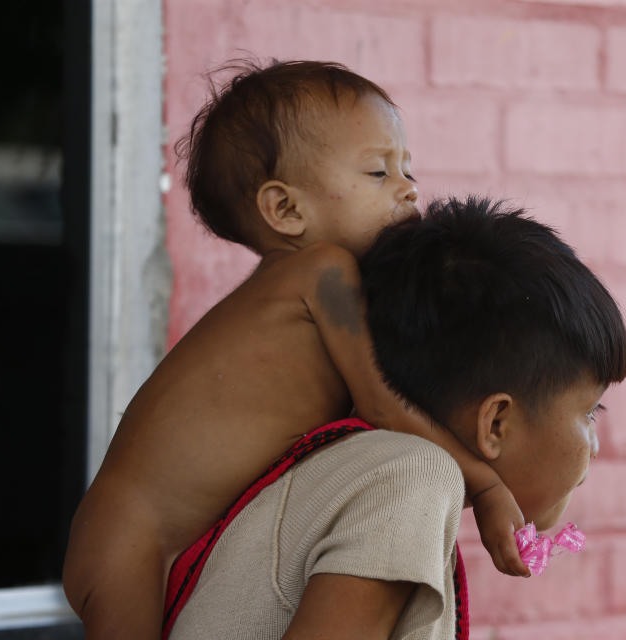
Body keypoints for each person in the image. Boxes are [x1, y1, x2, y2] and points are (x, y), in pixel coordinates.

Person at [62, 61, 526, 640]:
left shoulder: (314, 287)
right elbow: (384, 407)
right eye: (379, 171)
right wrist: (485, 485)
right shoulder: (322, 274)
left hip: (185, 536)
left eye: (407, 168)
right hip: (130, 537)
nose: (408, 187)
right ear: (285, 210)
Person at [167, 196, 626, 639]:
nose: (596, 443)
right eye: (590, 411)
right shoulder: (411, 477)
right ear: (495, 424)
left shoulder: (371, 469)